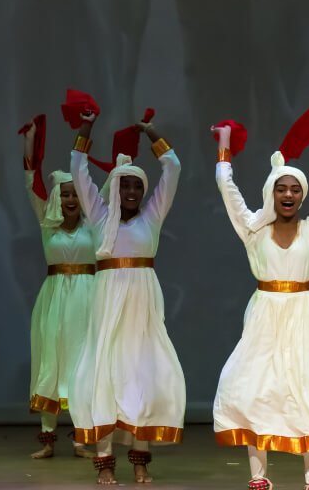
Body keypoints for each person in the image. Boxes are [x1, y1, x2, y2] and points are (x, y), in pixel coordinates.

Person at [211, 104, 309, 490]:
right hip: (265, 315)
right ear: (271, 193)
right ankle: (258, 476)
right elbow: (227, 188)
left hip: (301, 314)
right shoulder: (253, 229)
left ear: (302, 196)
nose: (288, 194)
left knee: (307, 386)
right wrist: (224, 143)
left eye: (295, 189)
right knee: (257, 386)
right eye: (282, 188)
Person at [68, 110, 185, 485]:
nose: (132, 193)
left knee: (142, 376)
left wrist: (152, 132)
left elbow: (174, 168)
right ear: (115, 190)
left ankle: (140, 461)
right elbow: (78, 168)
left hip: (143, 306)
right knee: (106, 372)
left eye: (137, 187)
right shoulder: (100, 219)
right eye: (125, 186)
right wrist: (86, 127)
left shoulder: (152, 218)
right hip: (108, 306)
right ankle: (104, 462)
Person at [21, 117, 97, 459]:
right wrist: (32, 140)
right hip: (53, 298)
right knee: (50, 360)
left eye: (75, 194)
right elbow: (30, 179)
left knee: (83, 363)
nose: (70, 199)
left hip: (88, 298)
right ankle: (48, 437)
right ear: (56, 198)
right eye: (64, 194)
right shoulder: (46, 223)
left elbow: (110, 190)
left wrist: (90, 133)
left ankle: (83, 437)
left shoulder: (94, 224)